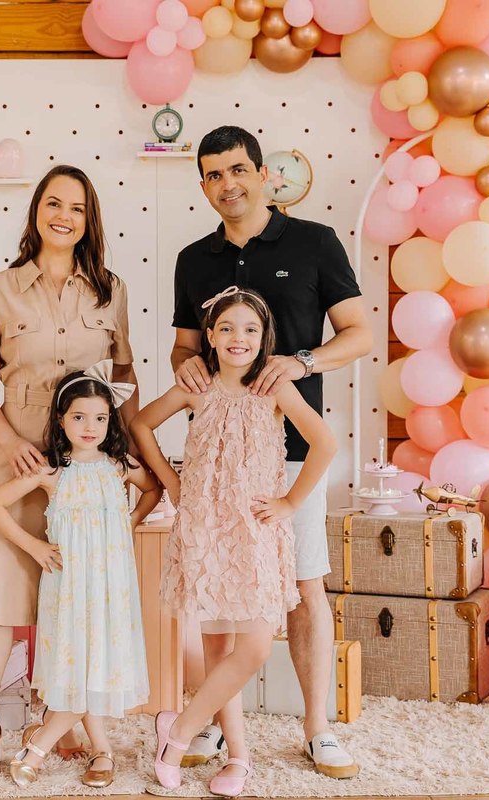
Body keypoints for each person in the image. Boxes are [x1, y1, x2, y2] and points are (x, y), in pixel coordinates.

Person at [170, 125, 372, 779]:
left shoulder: (315, 241)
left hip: (291, 454)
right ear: (204, 185)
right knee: (217, 593)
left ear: (262, 174)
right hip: (219, 461)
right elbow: (183, 348)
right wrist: (183, 367)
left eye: (237, 170)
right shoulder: (192, 259)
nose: (227, 184)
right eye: (213, 174)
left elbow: (359, 333)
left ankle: (318, 729)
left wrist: (301, 361)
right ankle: (213, 724)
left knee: (305, 585)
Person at [0, 165, 138, 784]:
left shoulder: (111, 291)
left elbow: (123, 381)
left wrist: (129, 457)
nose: (64, 216)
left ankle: (69, 722)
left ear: (90, 221)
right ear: (36, 210)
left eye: (77, 208)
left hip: (85, 465)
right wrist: (9, 442)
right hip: (19, 456)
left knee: (78, 596)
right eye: (54, 203)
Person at [131, 287, 337, 796]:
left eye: (249, 329)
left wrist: (289, 503)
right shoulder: (196, 387)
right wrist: (172, 483)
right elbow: (140, 424)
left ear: (264, 337)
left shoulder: (274, 388)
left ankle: (178, 732)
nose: (237, 338)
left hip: (255, 533)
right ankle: (238, 757)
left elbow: (325, 442)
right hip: (206, 530)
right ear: (210, 335)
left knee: (255, 645)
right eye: (226, 328)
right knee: (218, 647)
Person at [0, 363, 160, 788]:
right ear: (61, 420)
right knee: (78, 663)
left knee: (100, 661)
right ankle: (93, 751)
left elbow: (155, 489)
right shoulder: (52, 471)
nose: (90, 427)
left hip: (111, 584)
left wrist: (130, 522)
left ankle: (45, 746)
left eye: (100, 418)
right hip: (68, 585)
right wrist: (35, 547)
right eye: (79, 417)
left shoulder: (119, 466)